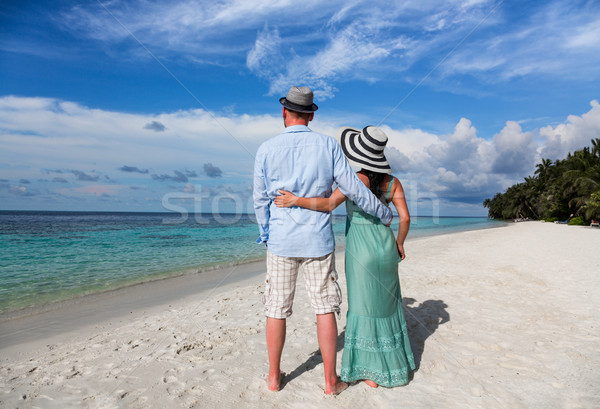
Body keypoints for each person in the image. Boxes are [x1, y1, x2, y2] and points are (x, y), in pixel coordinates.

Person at [253, 87, 393, 394]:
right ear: (312, 115)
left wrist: (266, 233)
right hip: (317, 240)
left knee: (275, 308)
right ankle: (331, 382)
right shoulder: (328, 145)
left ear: (284, 112)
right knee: (324, 308)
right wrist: (382, 212)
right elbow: (354, 189)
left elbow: (259, 201)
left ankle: (274, 378)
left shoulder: (266, 148)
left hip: (281, 241)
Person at [274, 125, 415, 388]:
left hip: (361, 250)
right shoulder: (393, 182)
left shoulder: (354, 179)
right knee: (386, 306)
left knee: (363, 307)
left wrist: (295, 200)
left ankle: (370, 373)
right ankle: (392, 365)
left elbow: (327, 204)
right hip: (385, 247)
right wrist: (399, 243)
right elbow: (405, 218)